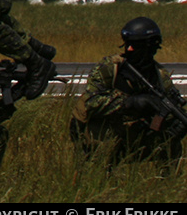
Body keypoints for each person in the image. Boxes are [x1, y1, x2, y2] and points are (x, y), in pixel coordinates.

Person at [71, 16, 186, 166]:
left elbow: (168, 113)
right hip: (104, 140)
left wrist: (174, 129)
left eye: (135, 45)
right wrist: (129, 102)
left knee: (173, 145)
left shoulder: (160, 76)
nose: (129, 49)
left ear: (150, 48)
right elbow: (89, 103)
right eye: (128, 44)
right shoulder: (110, 68)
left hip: (135, 138)